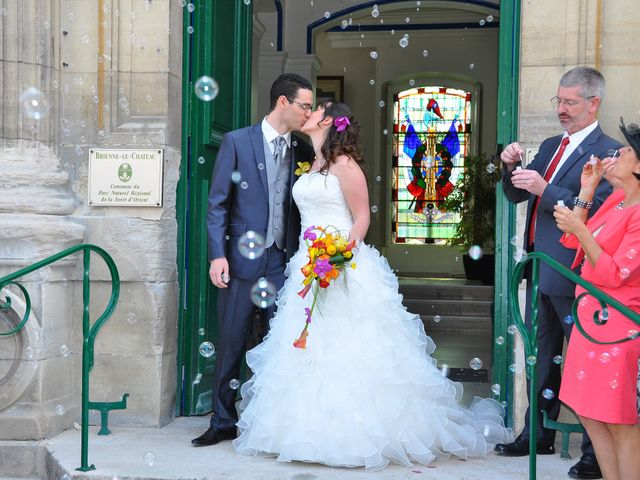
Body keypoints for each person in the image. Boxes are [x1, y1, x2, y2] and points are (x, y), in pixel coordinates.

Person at [232, 101, 513, 471]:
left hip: (339, 264)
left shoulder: (345, 165)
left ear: (330, 121)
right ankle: (303, 431)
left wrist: (336, 257)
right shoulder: (312, 162)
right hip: (307, 262)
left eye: (315, 109)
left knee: (349, 349)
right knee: (306, 348)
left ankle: (354, 435)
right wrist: (314, 261)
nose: (308, 113)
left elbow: (361, 218)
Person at [496, 66, 621, 479]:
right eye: (559, 100)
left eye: (569, 102)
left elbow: (598, 208)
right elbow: (516, 193)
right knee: (541, 358)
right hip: (541, 268)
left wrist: (543, 189)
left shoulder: (609, 153)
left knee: (587, 364)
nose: (561, 109)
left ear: (593, 103)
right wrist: (509, 166)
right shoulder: (552, 145)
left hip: (577, 273)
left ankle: (592, 455)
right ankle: (536, 435)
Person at [191, 73, 315, 447]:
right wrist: (217, 256)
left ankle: (277, 424)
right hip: (241, 261)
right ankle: (223, 420)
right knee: (230, 342)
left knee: (282, 345)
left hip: (284, 262)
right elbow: (217, 205)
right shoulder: (236, 141)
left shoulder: (304, 150)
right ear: (283, 102)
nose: (308, 112)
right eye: (304, 105)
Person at [553, 118, 640, 480]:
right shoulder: (619, 200)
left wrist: (579, 228)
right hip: (591, 322)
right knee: (590, 413)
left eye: (628, 150)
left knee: (620, 421)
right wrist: (587, 191)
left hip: (619, 327)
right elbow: (574, 242)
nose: (618, 152)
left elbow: (614, 273)